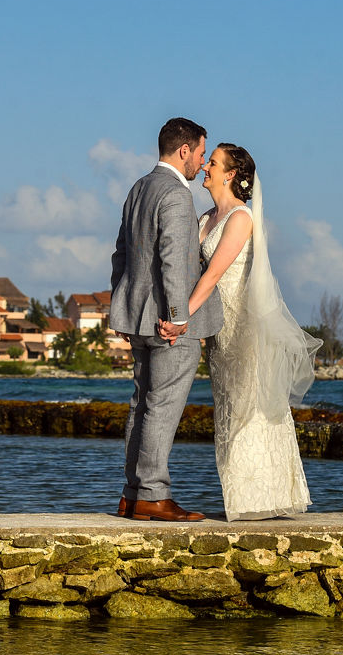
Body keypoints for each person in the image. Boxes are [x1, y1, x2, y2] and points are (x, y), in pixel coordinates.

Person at [160, 144, 319, 520]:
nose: (205, 168)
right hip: (218, 332)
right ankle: (241, 497)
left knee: (251, 408)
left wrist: (181, 317)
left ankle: (260, 499)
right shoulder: (203, 220)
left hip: (244, 329)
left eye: (212, 163)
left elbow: (214, 274)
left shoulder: (240, 218)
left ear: (230, 174)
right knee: (228, 409)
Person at [110, 118, 224, 521]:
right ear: (183, 150)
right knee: (162, 407)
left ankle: (132, 494)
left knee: (141, 404)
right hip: (167, 322)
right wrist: (178, 317)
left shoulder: (138, 188)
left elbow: (121, 254)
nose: (202, 161)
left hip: (137, 315)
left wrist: (120, 306)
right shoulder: (176, 194)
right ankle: (154, 496)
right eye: (200, 152)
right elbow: (174, 261)